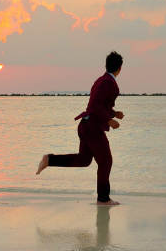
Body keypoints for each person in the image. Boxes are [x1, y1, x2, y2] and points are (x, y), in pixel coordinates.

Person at [36, 51, 125, 205]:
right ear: (120, 68)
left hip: (86, 125)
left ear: (107, 65)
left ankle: (49, 159)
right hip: (91, 127)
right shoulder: (108, 83)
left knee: (84, 160)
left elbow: (98, 105)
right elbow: (96, 106)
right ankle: (103, 198)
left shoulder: (101, 80)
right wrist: (109, 120)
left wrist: (114, 113)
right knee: (106, 161)